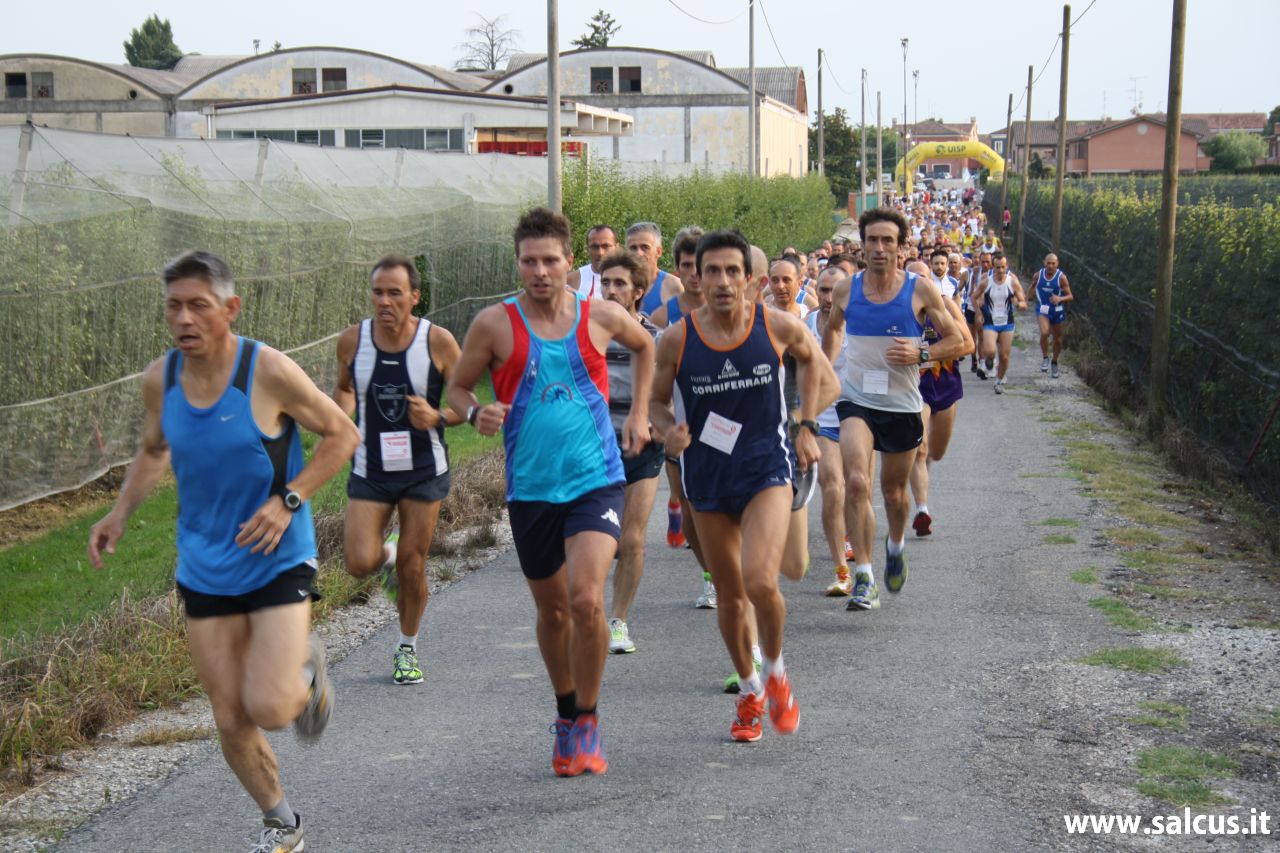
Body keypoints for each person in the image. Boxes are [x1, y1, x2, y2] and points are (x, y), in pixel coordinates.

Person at [88, 251, 359, 853]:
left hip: (278, 554)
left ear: (230, 309)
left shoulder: (266, 372)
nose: (184, 318)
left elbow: (343, 434)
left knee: (267, 704)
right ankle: (282, 824)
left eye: (198, 306)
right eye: (173, 307)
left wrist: (289, 499)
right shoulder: (162, 379)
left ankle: (306, 674)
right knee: (229, 716)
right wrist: (119, 513)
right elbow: (155, 449)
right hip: (204, 566)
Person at [447, 207, 654, 778]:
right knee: (554, 610)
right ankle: (565, 711)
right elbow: (459, 387)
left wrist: (638, 412)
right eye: (529, 261)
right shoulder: (493, 324)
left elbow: (646, 348)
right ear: (518, 264)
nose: (540, 271)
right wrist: (474, 413)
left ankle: (587, 717)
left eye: (550, 260)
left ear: (570, 263)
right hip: (532, 488)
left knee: (587, 599)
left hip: (597, 478)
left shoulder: (600, 314)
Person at [651, 230, 838, 743]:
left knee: (760, 579)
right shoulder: (677, 338)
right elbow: (655, 400)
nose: (722, 281)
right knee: (731, 595)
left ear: (750, 281)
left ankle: (776, 672)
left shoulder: (776, 326)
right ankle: (751, 688)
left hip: (765, 470)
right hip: (707, 478)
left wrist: (806, 424)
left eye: (733, 271)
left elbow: (815, 368)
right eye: (711, 271)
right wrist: (669, 430)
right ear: (697, 277)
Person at [822, 209, 965, 611]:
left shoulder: (921, 291)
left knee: (894, 493)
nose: (879, 248)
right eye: (872, 240)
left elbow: (959, 342)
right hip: (856, 400)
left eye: (888, 241)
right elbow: (833, 330)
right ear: (862, 246)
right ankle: (864, 577)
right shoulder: (847, 291)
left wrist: (922, 351)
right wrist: (825, 370)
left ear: (901, 247)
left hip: (901, 404)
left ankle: (896, 544)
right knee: (855, 481)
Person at [333, 254, 461, 685]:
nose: (384, 301)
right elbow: (345, 391)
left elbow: (466, 404)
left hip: (424, 468)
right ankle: (384, 553)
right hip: (371, 467)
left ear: (415, 297)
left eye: (394, 293)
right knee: (357, 561)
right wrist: (340, 420)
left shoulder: (438, 342)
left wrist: (437, 416)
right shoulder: (353, 341)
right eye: (377, 292)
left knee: (413, 563)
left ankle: (406, 647)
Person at [597, 250, 665, 654]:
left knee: (632, 540)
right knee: (600, 539)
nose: (610, 291)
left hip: (641, 444)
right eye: (605, 283)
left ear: (638, 292)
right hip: (593, 446)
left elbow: (670, 391)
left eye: (620, 284)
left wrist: (661, 421)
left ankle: (618, 621)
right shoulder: (584, 336)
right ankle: (588, 612)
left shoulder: (655, 339)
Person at [907, 254, 974, 537]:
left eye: (923, 277)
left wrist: (927, 354)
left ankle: (923, 478)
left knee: (936, 451)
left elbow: (968, 345)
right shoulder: (898, 309)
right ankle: (922, 509)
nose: (918, 282)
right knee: (918, 450)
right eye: (912, 278)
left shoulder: (945, 304)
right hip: (914, 387)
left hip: (946, 383)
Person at [806, 266, 858, 595]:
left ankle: (861, 558)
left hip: (857, 414)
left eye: (835, 290)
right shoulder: (803, 325)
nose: (828, 297)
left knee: (857, 489)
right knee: (834, 488)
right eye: (823, 290)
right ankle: (842, 571)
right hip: (822, 416)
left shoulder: (861, 324)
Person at [971, 251, 1027, 394]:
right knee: (990, 351)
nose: (1000, 270)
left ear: (1006, 266)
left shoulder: (1012, 281)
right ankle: (990, 361)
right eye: (997, 267)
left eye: (1003, 267)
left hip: (1007, 323)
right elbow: (974, 297)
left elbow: (1023, 301)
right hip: (990, 322)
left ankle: (998, 381)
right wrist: (978, 312)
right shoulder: (986, 282)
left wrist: (1020, 304)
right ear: (992, 267)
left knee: (1004, 355)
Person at [625, 221, 684, 316]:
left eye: (645, 247)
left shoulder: (673, 286)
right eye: (633, 248)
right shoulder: (618, 284)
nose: (638, 253)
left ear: (659, 251)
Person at [1033, 253, 1073, 378]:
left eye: (1053, 263)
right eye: (1048, 263)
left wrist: (1060, 298)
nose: (1050, 266)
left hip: (1057, 311)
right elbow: (1032, 287)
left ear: (1057, 264)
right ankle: (1045, 357)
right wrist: (1024, 299)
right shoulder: (1038, 275)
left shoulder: (1061, 278)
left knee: (1058, 340)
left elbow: (1070, 296)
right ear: (1044, 263)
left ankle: (1054, 361)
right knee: (1044, 333)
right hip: (1043, 309)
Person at [566, 224, 619, 299]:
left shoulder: (629, 277)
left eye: (605, 246)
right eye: (594, 247)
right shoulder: (573, 279)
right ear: (587, 249)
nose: (600, 252)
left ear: (617, 247)